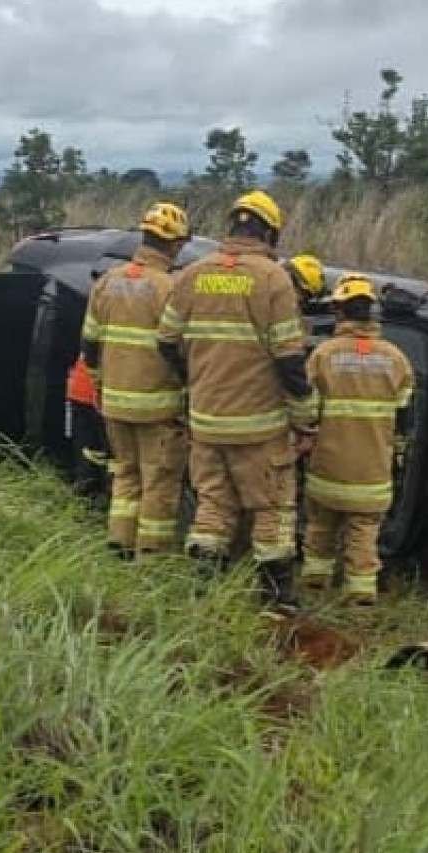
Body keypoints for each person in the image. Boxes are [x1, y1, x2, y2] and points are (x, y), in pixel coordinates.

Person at [158, 189, 311, 604]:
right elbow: (290, 360)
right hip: (260, 426)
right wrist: (305, 417)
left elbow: (167, 342)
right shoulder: (273, 278)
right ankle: (276, 600)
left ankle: (203, 592)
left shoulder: (190, 275)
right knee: (272, 509)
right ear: (270, 233)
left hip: (206, 420)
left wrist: (197, 382)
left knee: (213, 505)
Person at [80, 202, 190, 558]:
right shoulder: (170, 288)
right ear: (174, 245)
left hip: (114, 401)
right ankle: (151, 556)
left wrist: (99, 385)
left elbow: (90, 343)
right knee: (158, 482)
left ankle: (119, 543)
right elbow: (180, 350)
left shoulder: (107, 283)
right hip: (157, 407)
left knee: (125, 475)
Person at [296, 274, 414, 603]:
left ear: (339, 312)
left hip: (327, 467)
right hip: (372, 470)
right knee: (364, 532)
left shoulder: (324, 355)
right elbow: (406, 416)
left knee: (320, 527)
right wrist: (398, 453)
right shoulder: (396, 358)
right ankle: (361, 593)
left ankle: (314, 585)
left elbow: (306, 409)